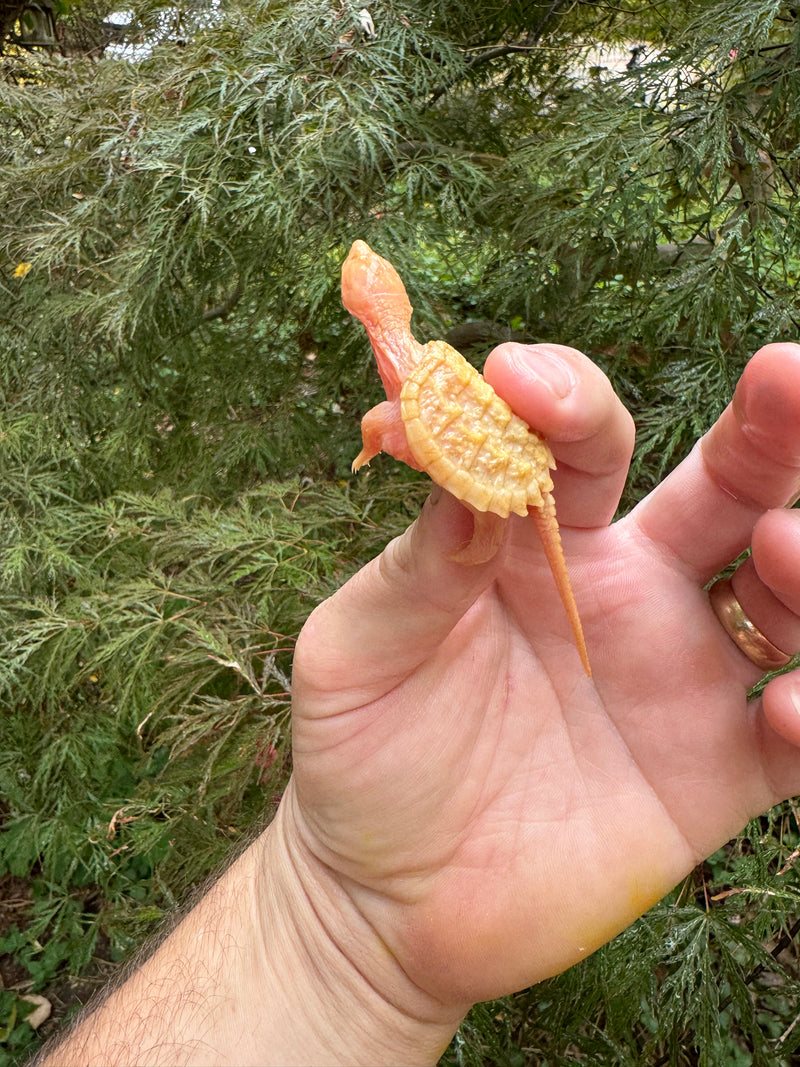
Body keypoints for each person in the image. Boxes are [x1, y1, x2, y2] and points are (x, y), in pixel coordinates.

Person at [40, 341, 800, 1067]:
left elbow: (387, 424)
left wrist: (347, 936)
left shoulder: (418, 373)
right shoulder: (419, 372)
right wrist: (346, 917)